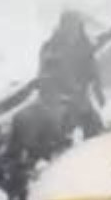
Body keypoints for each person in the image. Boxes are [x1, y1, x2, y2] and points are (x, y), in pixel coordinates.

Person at [37, 10, 106, 140]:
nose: (73, 32)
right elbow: (46, 83)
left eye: (76, 27)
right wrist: (62, 104)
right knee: (63, 136)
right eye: (70, 28)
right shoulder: (52, 51)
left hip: (81, 100)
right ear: (63, 28)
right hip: (61, 105)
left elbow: (92, 68)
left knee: (95, 128)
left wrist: (98, 89)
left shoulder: (83, 45)